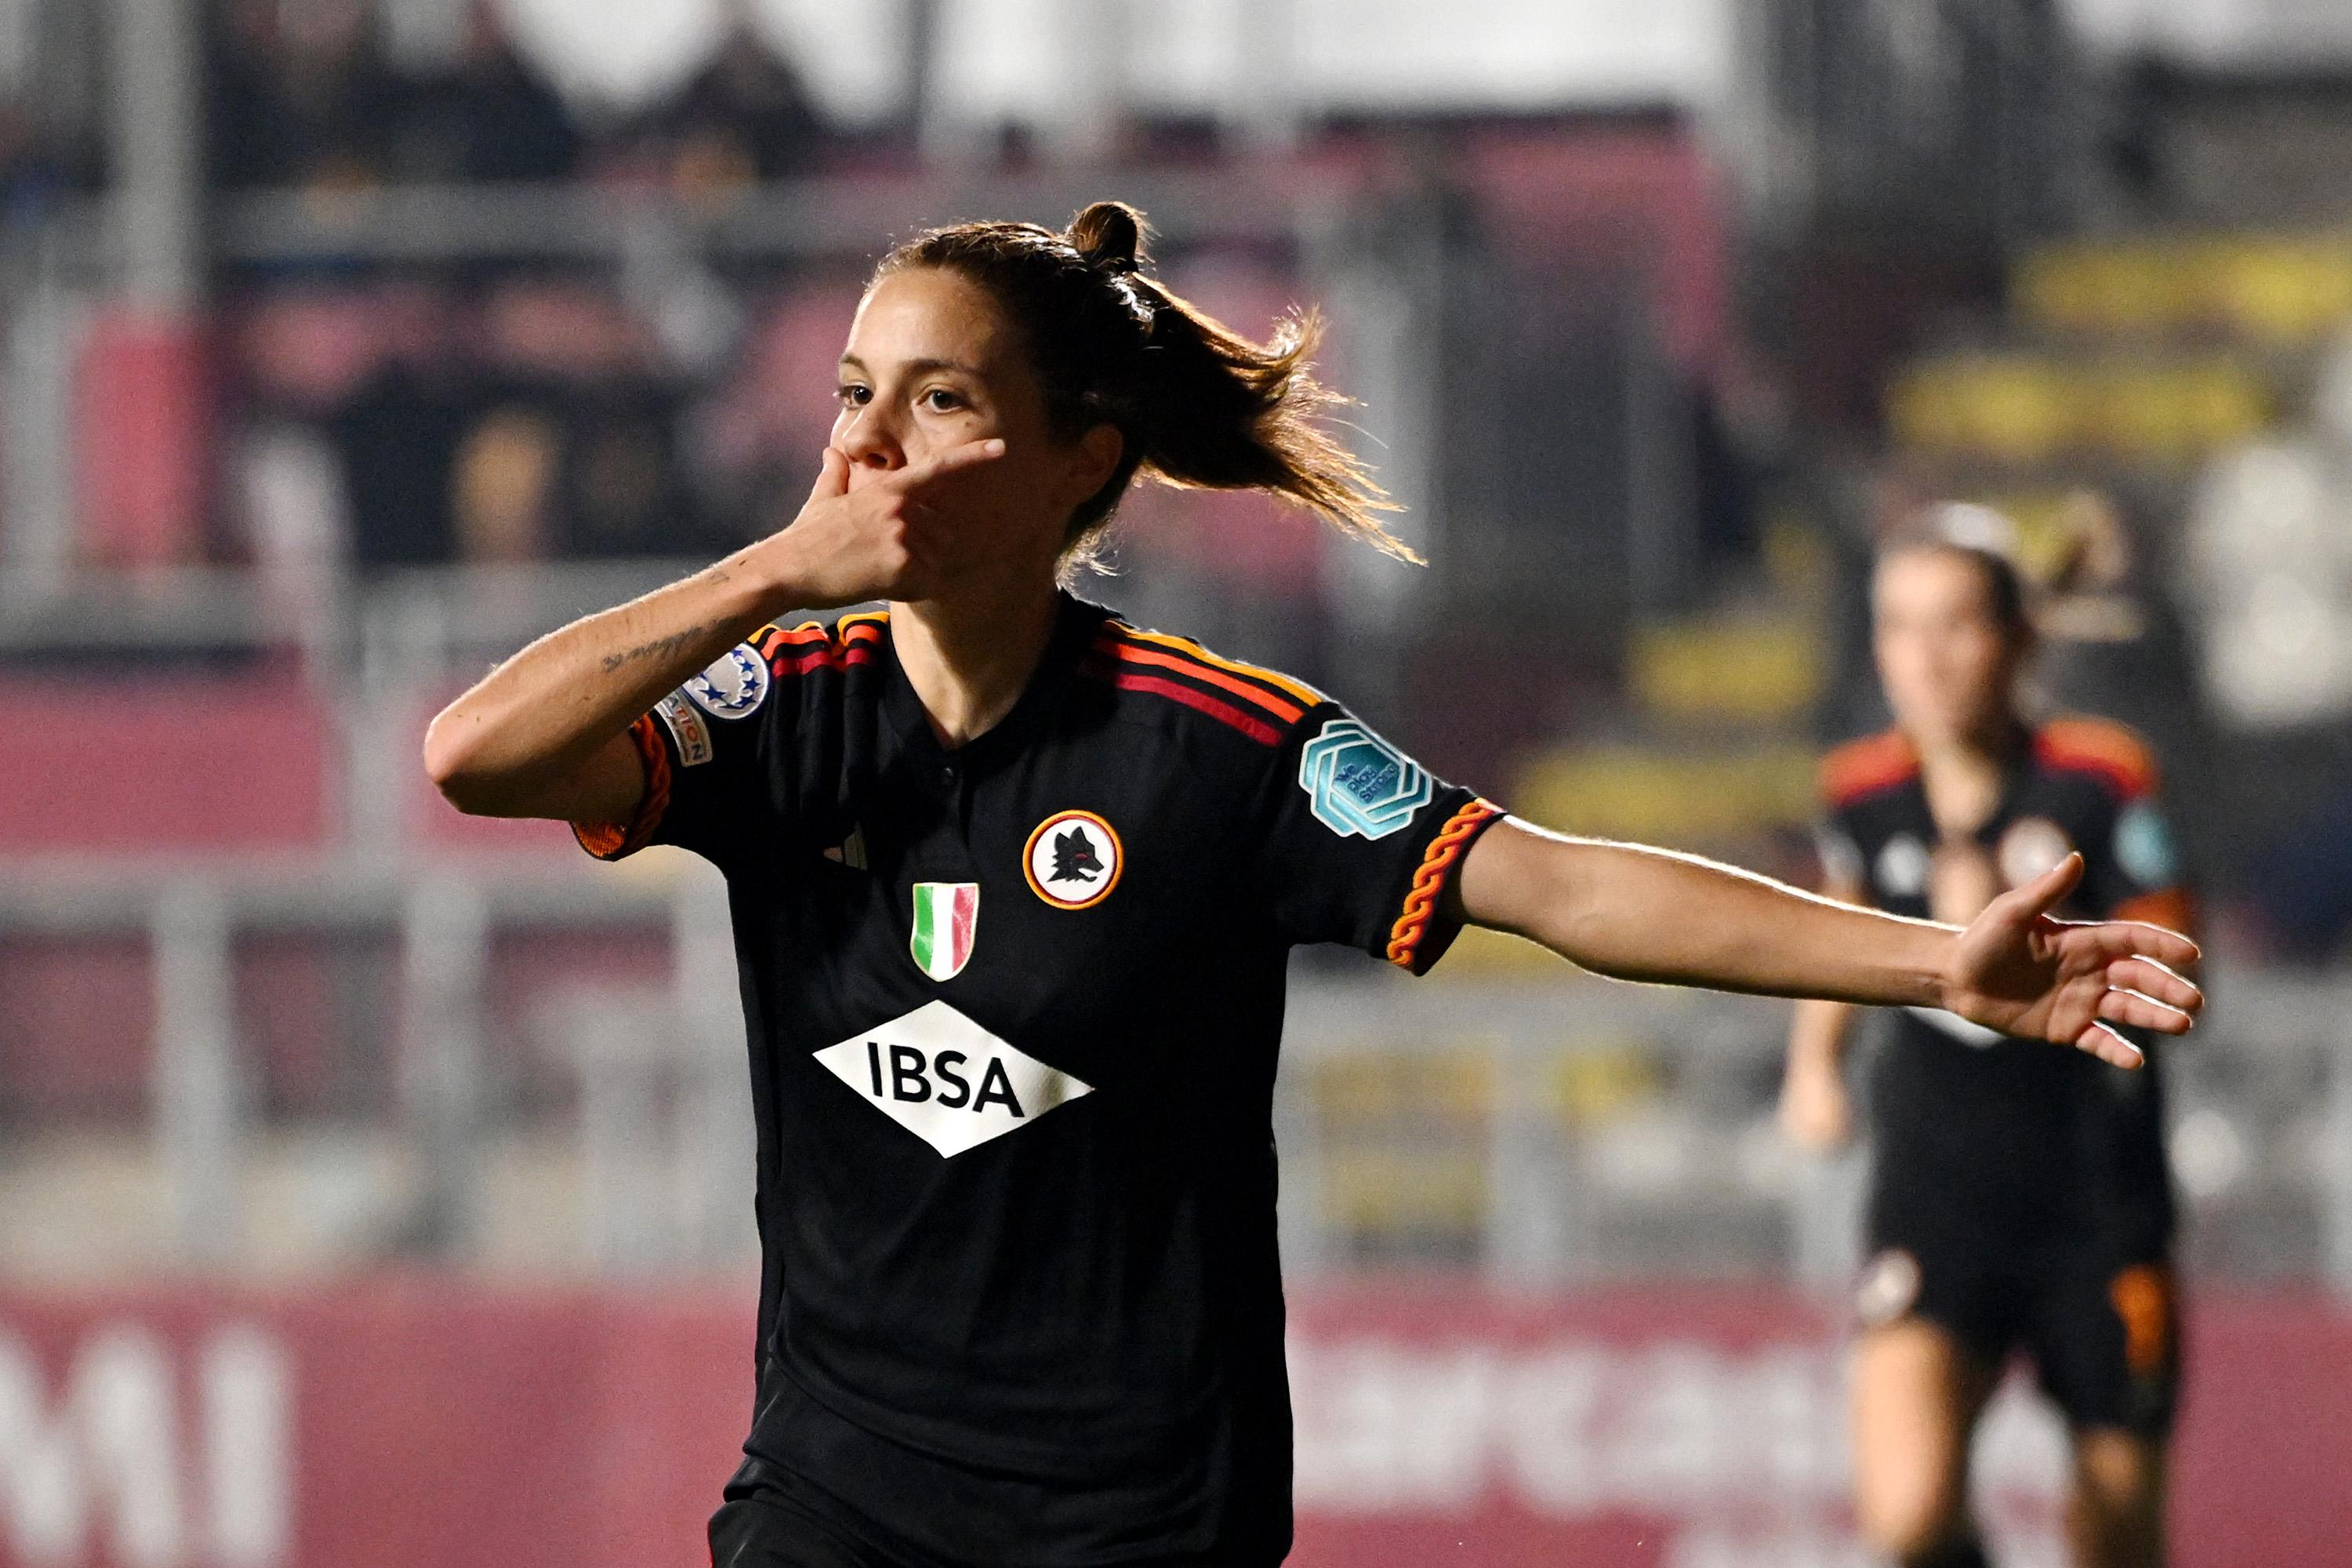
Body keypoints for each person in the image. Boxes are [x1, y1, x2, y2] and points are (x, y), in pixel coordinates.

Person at [424, 205, 2201, 1568]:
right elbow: (474, 755)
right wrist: (767, 576)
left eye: (939, 398)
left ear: (1079, 463)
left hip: (1137, 1519)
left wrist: (1928, 972)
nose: (868, 441)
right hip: (837, 1495)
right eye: (849, 393)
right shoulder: (779, 715)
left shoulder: (1215, 746)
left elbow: (1561, 885)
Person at [1780, 507, 2198, 1568]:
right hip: (1935, 1201)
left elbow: (2179, 962)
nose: (1922, 658)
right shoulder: (1862, 796)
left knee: (2115, 1538)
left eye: (1954, 624)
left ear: (2015, 639)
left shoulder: (2099, 782)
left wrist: (2040, 948)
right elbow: (1841, 933)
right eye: (1898, 627)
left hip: (2097, 1211)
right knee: (1909, 1520)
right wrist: (1814, 1069)